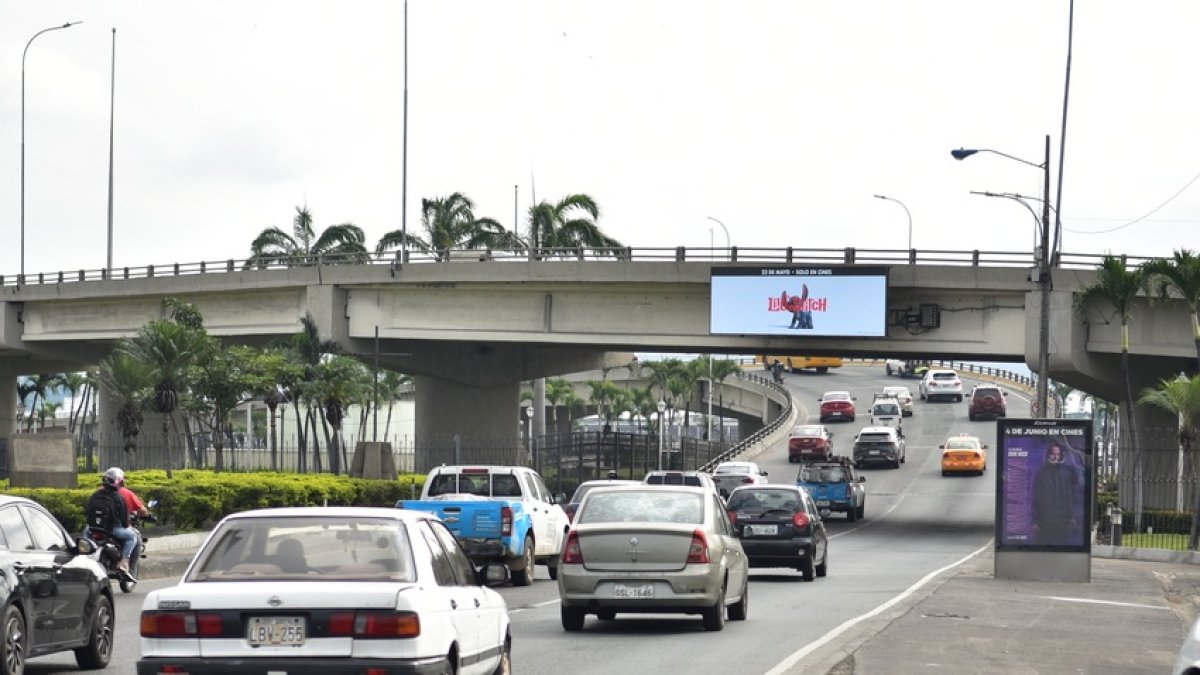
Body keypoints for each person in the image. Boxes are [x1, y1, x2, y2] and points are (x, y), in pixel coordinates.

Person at [86, 467, 138, 574]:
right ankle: (124, 562)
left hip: (93, 528)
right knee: (132, 537)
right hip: (112, 530)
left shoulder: (96, 495)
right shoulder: (118, 497)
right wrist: (127, 525)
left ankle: (83, 558)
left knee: (84, 540)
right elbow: (124, 521)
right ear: (118, 482)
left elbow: (87, 511)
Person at [1032, 443, 1080, 545]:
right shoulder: (1041, 474)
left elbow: (1069, 496)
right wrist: (1035, 520)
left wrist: (1071, 516)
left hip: (1062, 521)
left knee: (1061, 546)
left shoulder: (1066, 473)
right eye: (1053, 454)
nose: (1055, 457)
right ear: (1048, 455)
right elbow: (1036, 498)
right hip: (1045, 521)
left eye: (1058, 454)